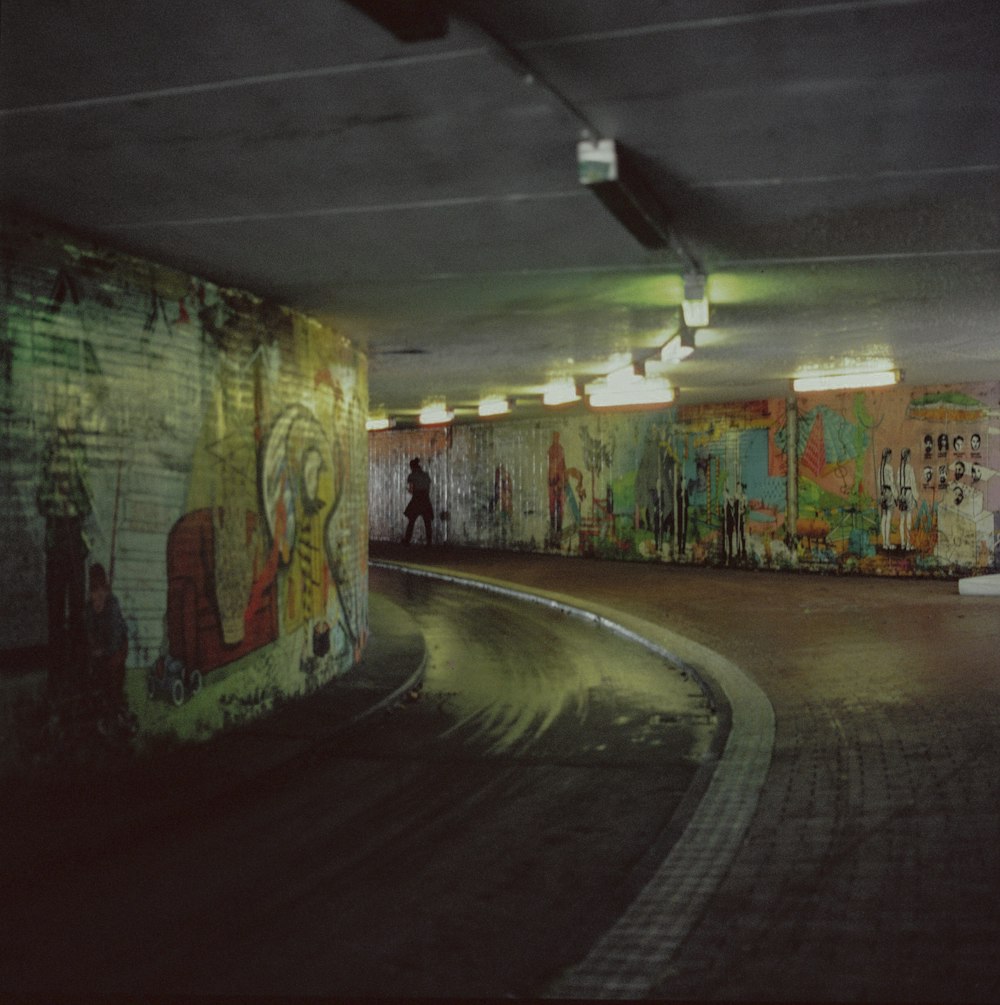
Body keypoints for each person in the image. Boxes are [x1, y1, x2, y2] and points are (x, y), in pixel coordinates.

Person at [85, 563, 129, 729]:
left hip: (117, 649)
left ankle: (119, 715)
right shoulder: (89, 610)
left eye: (100, 589)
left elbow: (116, 638)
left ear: (105, 588)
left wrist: (103, 651)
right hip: (101, 654)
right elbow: (90, 635)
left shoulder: (112, 605)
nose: (97, 595)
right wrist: (94, 649)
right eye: (93, 589)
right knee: (100, 684)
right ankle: (106, 717)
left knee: (114, 684)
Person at [403, 457, 433, 545]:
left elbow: (411, 490)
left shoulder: (412, 476)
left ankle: (407, 540)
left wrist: (408, 490)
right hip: (425, 499)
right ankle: (429, 542)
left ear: (412, 467)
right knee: (427, 522)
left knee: (411, 521)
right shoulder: (426, 475)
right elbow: (428, 488)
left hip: (417, 499)